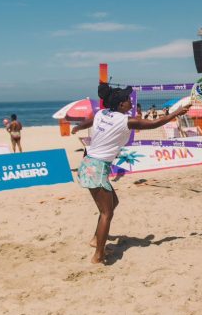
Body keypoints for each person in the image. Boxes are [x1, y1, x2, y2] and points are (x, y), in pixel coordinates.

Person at [72, 84, 190, 264]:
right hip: (95, 168)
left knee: (113, 203)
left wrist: (78, 127)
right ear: (121, 105)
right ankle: (98, 255)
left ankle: (97, 239)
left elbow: (91, 121)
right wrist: (176, 113)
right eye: (128, 99)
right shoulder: (125, 120)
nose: (131, 102)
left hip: (90, 164)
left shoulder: (102, 114)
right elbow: (154, 123)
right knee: (106, 213)